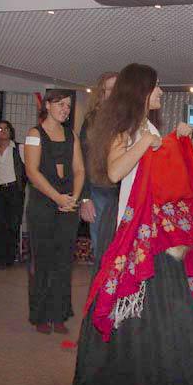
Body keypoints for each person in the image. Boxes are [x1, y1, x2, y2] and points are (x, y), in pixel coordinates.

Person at [72, 63, 193, 385]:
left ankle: (169, 374)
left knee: (163, 306)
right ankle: (133, 380)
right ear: (141, 91)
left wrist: (178, 139)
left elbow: (159, 167)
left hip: (155, 229)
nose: (160, 92)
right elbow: (115, 171)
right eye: (156, 86)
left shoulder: (148, 127)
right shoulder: (125, 127)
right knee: (137, 305)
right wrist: (145, 142)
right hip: (133, 226)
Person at [25, 90, 85, 335]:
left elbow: (79, 170)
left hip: (67, 204)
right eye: (60, 104)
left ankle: (59, 315)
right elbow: (32, 172)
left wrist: (73, 198)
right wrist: (57, 197)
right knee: (43, 261)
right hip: (43, 204)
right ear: (47, 105)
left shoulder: (72, 135)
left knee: (63, 262)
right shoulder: (34, 134)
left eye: (68, 106)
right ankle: (41, 315)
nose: (65, 109)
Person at [79, 72, 118, 270]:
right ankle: (102, 287)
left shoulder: (128, 119)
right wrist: (85, 198)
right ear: (101, 93)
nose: (114, 93)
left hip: (123, 190)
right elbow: (81, 160)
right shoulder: (91, 121)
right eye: (109, 89)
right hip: (98, 190)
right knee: (102, 250)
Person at [0, 120, 26, 271]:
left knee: (13, 224)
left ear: (11, 131)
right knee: (0, 224)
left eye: (6, 128)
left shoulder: (19, 148)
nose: (3, 131)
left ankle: (9, 257)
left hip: (15, 190)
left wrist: (25, 186)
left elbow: (28, 168)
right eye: (0, 129)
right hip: (0, 191)